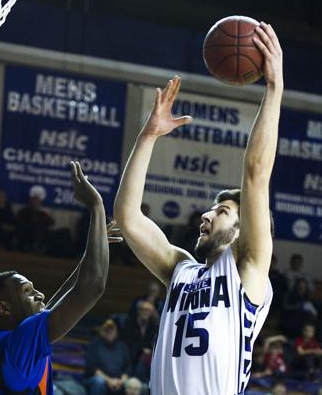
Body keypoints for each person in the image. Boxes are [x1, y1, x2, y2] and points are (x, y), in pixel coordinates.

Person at [114, 22, 282, 394]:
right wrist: (149, 136)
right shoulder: (180, 271)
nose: (206, 215)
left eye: (222, 211)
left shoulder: (249, 271)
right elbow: (127, 217)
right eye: (211, 209)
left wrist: (274, 88)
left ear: (243, 229)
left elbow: (255, 173)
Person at [0, 162, 110, 394]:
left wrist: (96, 244)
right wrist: (97, 207)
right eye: (27, 291)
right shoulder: (22, 339)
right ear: (3, 308)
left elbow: (56, 305)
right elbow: (92, 286)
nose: (40, 295)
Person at [84, 318, 132, 394]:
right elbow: (93, 369)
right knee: (99, 381)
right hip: (99, 380)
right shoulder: (94, 345)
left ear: (116, 331)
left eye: (112, 328)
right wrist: (109, 381)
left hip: (119, 381)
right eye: (106, 329)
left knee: (133, 384)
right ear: (101, 331)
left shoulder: (123, 347)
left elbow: (128, 368)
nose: (109, 331)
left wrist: (121, 381)